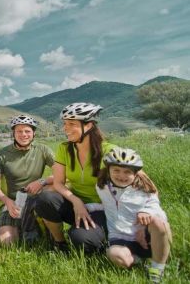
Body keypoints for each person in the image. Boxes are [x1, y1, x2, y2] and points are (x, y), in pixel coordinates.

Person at [34, 102, 116, 253]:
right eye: (65, 124)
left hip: (102, 209)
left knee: (80, 240)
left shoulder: (109, 151)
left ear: (89, 125)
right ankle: (60, 244)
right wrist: (76, 200)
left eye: (72, 124)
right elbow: (58, 183)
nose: (65, 128)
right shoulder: (64, 148)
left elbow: (141, 182)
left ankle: (104, 237)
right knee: (44, 199)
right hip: (76, 205)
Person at [96, 147, 172, 283]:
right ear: (108, 170)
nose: (121, 176)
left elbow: (157, 207)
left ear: (136, 174)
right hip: (119, 236)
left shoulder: (144, 189)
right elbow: (108, 205)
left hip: (145, 234)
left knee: (160, 223)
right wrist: (86, 207)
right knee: (114, 255)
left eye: (127, 172)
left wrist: (146, 213)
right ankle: (143, 259)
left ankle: (157, 268)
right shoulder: (102, 187)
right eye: (116, 170)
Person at [0, 115, 54, 246]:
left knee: (52, 187)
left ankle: (37, 224)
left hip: (36, 201)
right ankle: (23, 227)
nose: (23, 134)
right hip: (12, 203)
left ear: (34, 133)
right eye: (19, 131)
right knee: (7, 242)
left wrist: (42, 181)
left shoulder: (43, 150)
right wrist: (7, 202)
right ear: (13, 133)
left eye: (27, 131)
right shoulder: (2, 154)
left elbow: (62, 174)